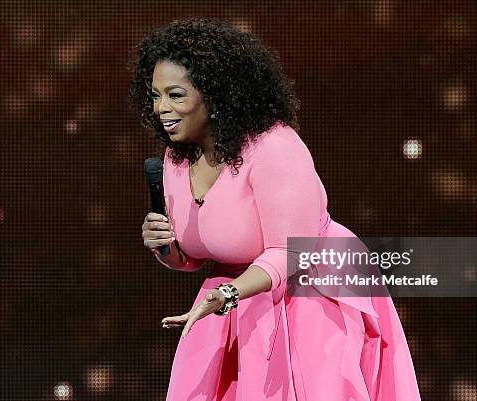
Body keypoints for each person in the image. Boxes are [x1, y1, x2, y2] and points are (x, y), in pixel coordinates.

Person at [130, 17, 421, 401]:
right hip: (233, 296)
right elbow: (195, 257)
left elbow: (291, 251)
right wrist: (166, 248)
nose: (161, 108)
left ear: (215, 95)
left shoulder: (274, 147)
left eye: (176, 95)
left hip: (310, 289)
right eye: (155, 95)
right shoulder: (176, 158)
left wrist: (230, 294)